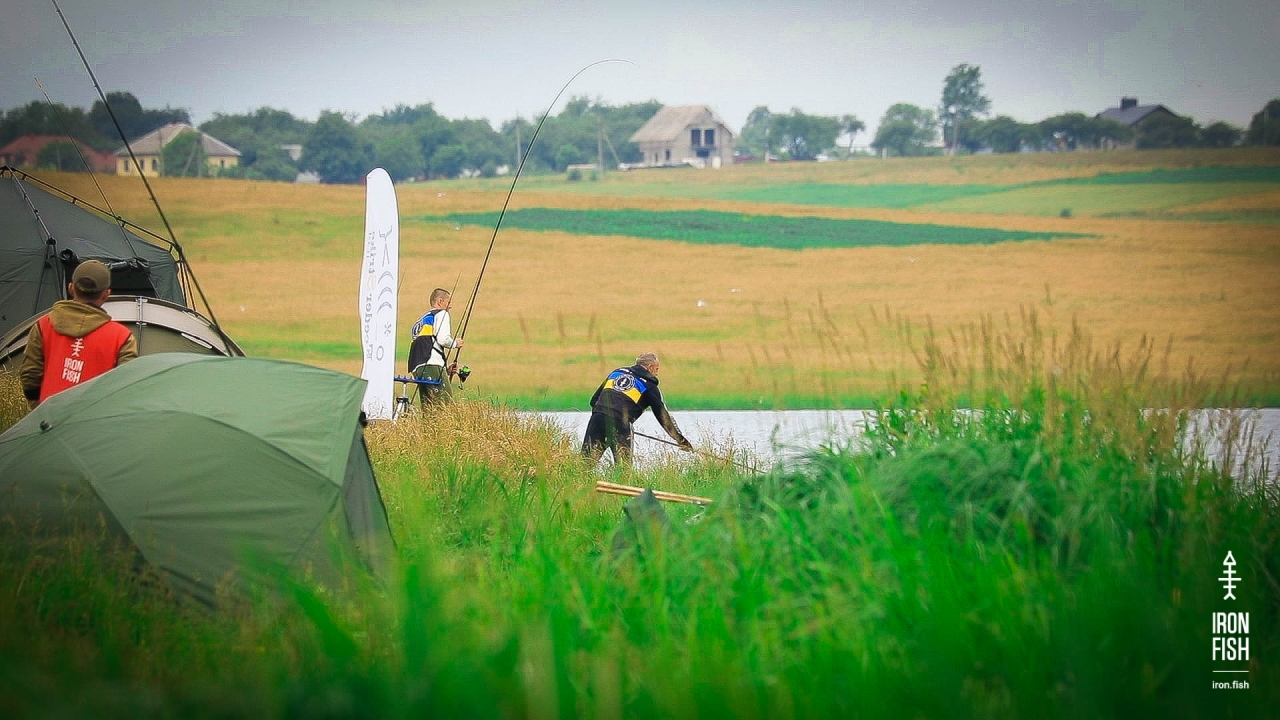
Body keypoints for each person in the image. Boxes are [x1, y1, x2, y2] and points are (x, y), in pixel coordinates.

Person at [20, 259, 137, 408]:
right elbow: (126, 386)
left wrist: (39, 410)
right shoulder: (122, 337)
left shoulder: (43, 325)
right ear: (106, 294)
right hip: (96, 418)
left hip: (48, 417)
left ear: (71, 288)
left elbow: (30, 377)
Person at [582, 352, 692, 468]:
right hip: (621, 423)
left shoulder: (616, 373)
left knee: (585, 464)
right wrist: (680, 440)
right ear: (650, 367)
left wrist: (603, 417)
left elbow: (594, 401)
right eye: (656, 369)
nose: (657, 373)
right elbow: (663, 416)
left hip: (597, 418)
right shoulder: (649, 385)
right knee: (623, 470)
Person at [407, 287, 464, 406]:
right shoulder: (441, 314)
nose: (450, 306)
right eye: (448, 302)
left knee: (429, 408)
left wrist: (445, 370)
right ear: (440, 301)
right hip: (431, 365)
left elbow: (427, 344)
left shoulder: (422, 320)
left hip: (417, 368)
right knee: (445, 407)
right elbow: (443, 339)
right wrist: (455, 343)